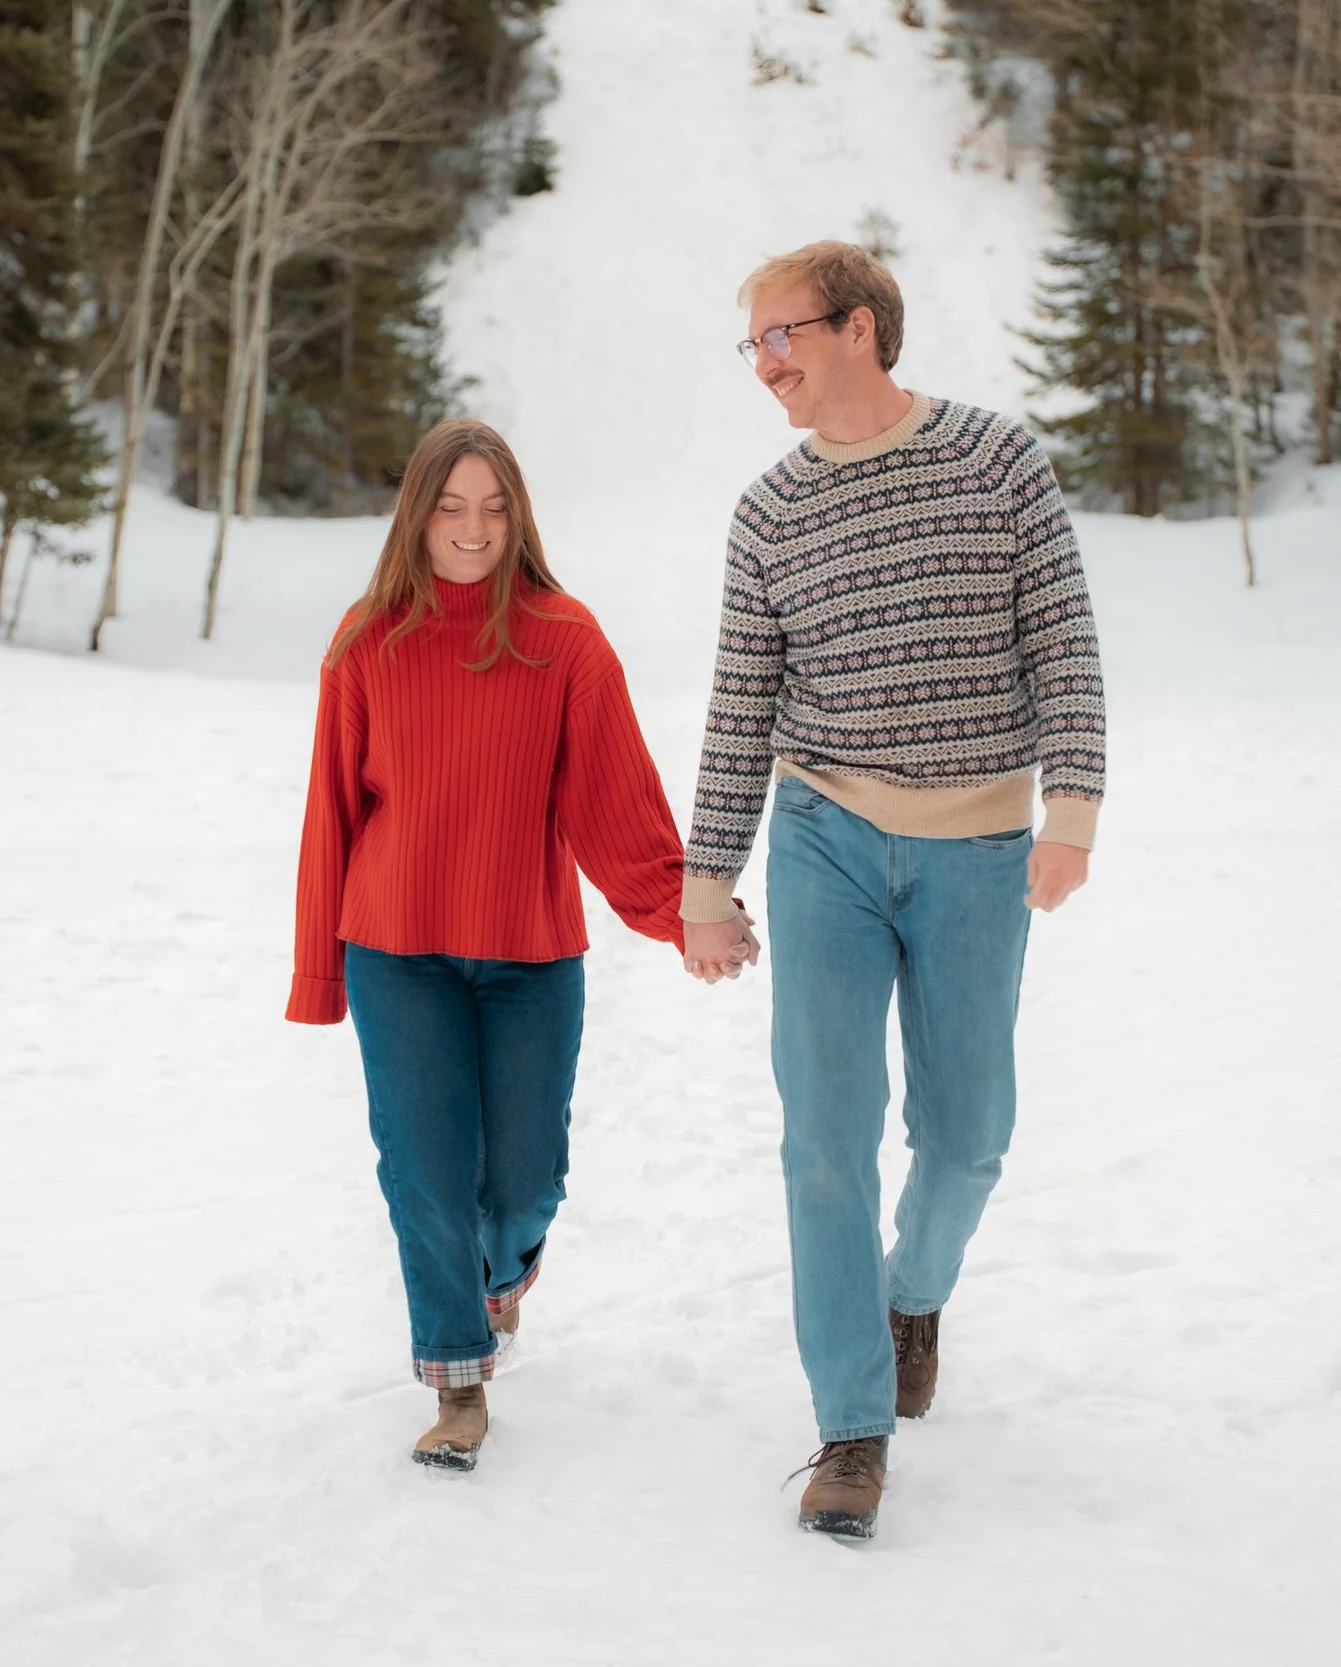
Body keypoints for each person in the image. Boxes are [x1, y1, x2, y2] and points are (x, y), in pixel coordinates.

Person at [680, 242, 1106, 1539]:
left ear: (859, 328)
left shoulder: (996, 461)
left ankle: (913, 1294)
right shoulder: (769, 513)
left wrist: (1073, 805)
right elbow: (741, 704)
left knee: (970, 1130)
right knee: (823, 1136)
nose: (766, 364)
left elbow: (1064, 639)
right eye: (752, 344)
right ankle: (851, 1424)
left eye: (782, 336)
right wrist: (709, 878)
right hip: (826, 839)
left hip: (979, 838)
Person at [288, 418, 732, 1470]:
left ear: (517, 515)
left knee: (526, 1177)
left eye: (492, 506)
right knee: (425, 1173)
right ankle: (456, 1379)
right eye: (450, 506)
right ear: (417, 515)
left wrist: (685, 913)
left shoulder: (564, 638)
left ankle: (497, 1278)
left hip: (530, 955)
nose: (472, 527)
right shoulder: (366, 640)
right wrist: (318, 971)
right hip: (396, 948)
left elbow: (614, 803)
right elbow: (329, 816)